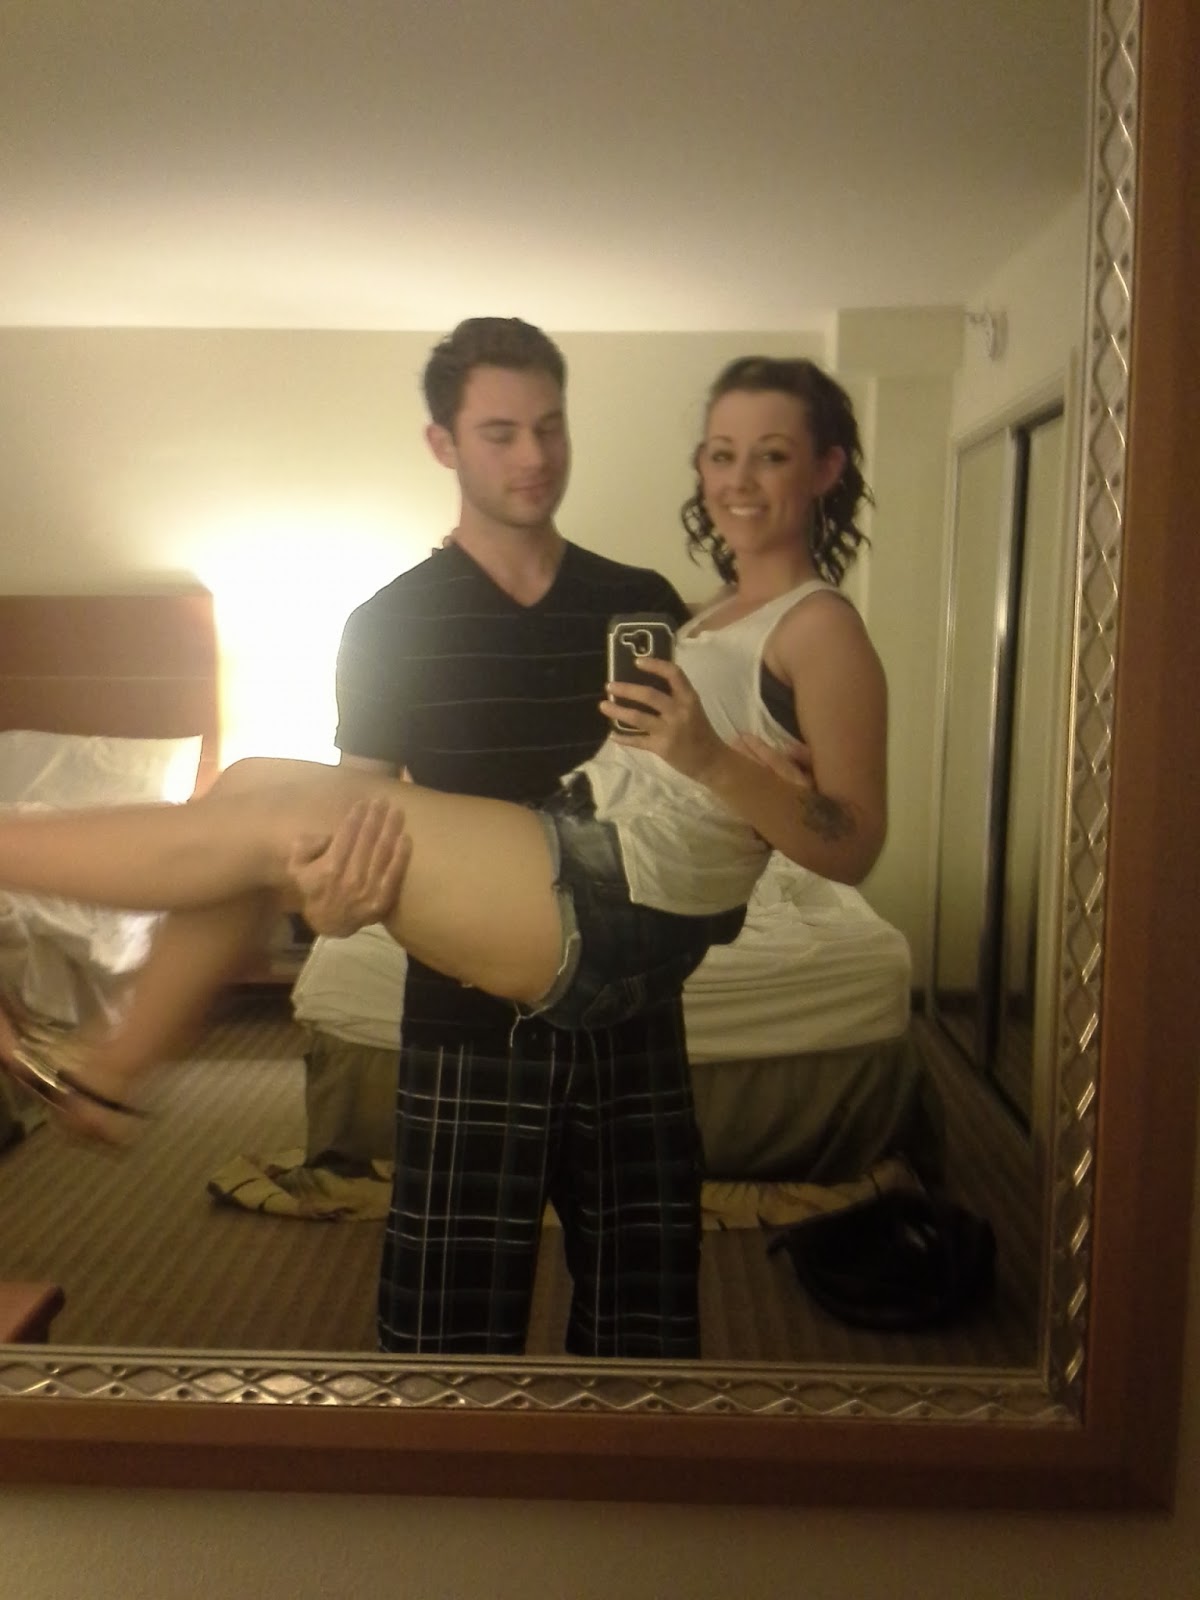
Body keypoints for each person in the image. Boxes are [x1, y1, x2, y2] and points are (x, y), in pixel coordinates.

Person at [0, 349, 888, 1357]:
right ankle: (111, 1068)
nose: (739, 479)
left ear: (824, 467)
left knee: (642, 1337)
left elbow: (844, 837)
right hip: (504, 967)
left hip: (609, 936)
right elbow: (363, 811)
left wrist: (722, 768)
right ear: (445, 444)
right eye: (722, 453)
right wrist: (331, 903)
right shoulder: (675, 614)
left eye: (771, 454)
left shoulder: (730, 612)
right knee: (253, 790)